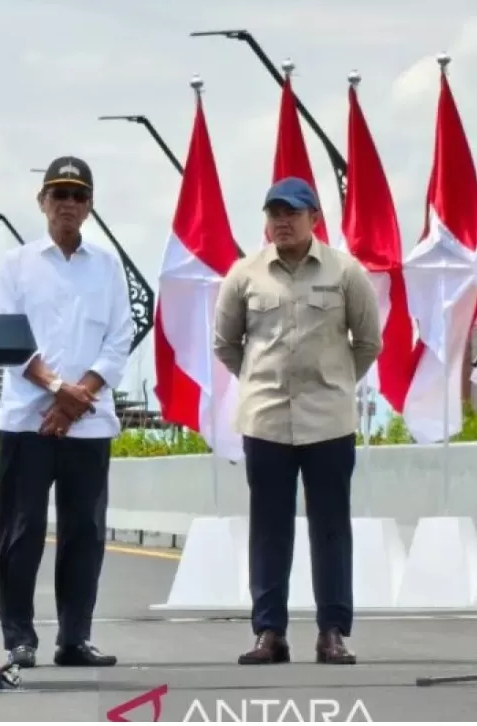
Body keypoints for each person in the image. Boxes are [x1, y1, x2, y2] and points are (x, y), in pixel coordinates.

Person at [213, 176, 382, 666]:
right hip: (265, 420)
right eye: (273, 213)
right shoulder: (244, 275)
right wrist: (260, 380)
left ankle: (332, 632)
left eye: (292, 212)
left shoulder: (346, 271)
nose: (281, 221)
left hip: (328, 419)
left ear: (315, 219)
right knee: (269, 528)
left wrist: (336, 380)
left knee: (331, 528)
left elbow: (368, 342)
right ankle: (270, 633)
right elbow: (226, 344)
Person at [0, 157, 133, 669]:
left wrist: (77, 399)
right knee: (21, 533)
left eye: (78, 195)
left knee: (85, 535)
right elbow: (7, 340)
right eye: (59, 194)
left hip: (88, 424)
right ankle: (19, 639)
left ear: (89, 205)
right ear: (42, 202)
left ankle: (74, 638)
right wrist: (55, 389)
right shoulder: (15, 264)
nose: (68, 204)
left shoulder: (108, 265)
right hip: (27, 421)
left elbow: (119, 338)